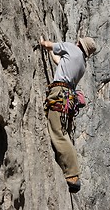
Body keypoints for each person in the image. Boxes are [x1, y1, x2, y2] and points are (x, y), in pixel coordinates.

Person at [40, 36, 96, 193]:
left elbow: (48, 45)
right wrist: (50, 53)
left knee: (58, 133)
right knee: (63, 132)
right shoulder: (82, 64)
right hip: (68, 98)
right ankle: (66, 166)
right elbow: (60, 63)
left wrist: (43, 42)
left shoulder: (71, 48)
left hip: (59, 93)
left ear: (79, 43)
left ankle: (72, 175)